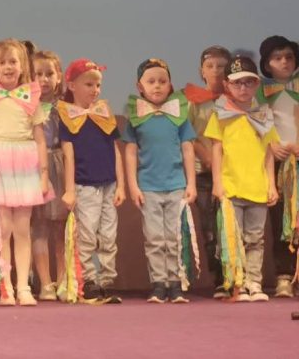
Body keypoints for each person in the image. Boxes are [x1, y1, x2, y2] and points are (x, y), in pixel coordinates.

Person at [0, 39, 48, 306]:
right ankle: (5, 286)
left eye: (13, 62)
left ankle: (23, 286)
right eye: (2, 62)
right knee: (3, 229)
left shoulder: (31, 98)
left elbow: (40, 140)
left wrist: (43, 175)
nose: (8, 67)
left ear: (22, 65)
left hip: (25, 163)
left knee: (22, 229)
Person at [122, 57, 197, 304]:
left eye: (162, 81)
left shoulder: (178, 116)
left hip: (176, 185)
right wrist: (133, 186)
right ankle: (158, 284)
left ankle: (175, 283)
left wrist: (191, 183)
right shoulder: (137, 117)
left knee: (174, 237)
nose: (157, 86)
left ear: (170, 85)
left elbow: (188, 149)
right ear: (140, 86)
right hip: (148, 187)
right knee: (154, 238)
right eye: (151, 81)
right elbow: (130, 152)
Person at [206, 54, 279, 301]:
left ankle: (254, 282)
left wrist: (271, 184)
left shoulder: (263, 115)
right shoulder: (221, 114)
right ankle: (237, 283)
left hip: (257, 187)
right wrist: (217, 183)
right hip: (231, 187)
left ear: (257, 84)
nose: (243, 88)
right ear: (227, 85)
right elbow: (216, 149)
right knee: (232, 239)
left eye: (248, 82)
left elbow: (268, 152)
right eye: (237, 83)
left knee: (255, 238)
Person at [58, 58, 124, 304]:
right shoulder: (68, 116)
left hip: (108, 184)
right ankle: (88, 280)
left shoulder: (103, 113)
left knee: (108, 234)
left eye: (98, 85)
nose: (95, 90)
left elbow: (115, 151)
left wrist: (121, 185)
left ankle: (107, 280)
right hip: (84, 185)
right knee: (86, 235)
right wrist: (69, 190)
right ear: (72, 86)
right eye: (89, 84)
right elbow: (68, 155)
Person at [185, 44, 230, 295]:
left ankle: (236, 274)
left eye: (222, 66)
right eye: (210, 66)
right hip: (203, 173)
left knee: (230, 225)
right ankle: (219, 278)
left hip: (230, 173)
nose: (216, 71)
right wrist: (206, 156)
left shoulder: (235, 100)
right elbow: (187, 134)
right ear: (202, 71)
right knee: (210, 227)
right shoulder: (194, 101)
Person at [256, 35, 298, 297]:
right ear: (267, 64)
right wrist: (271, 145)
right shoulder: (261, 91)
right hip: (276, 162)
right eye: (278, 58)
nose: (284, 62)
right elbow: (259, 124)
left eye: (289, 57)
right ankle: (284, 276)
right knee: (281, 220)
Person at [30, 49, 67, 300]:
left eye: (49, 74)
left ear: (59, 76)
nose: (44, 79)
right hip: (34, 166)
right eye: (38, 74)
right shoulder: (27, 107)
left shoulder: (64, 108)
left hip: (60, 164)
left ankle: (64, 280)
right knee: (39, 226)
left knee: (61, 227)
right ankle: (45, 283)